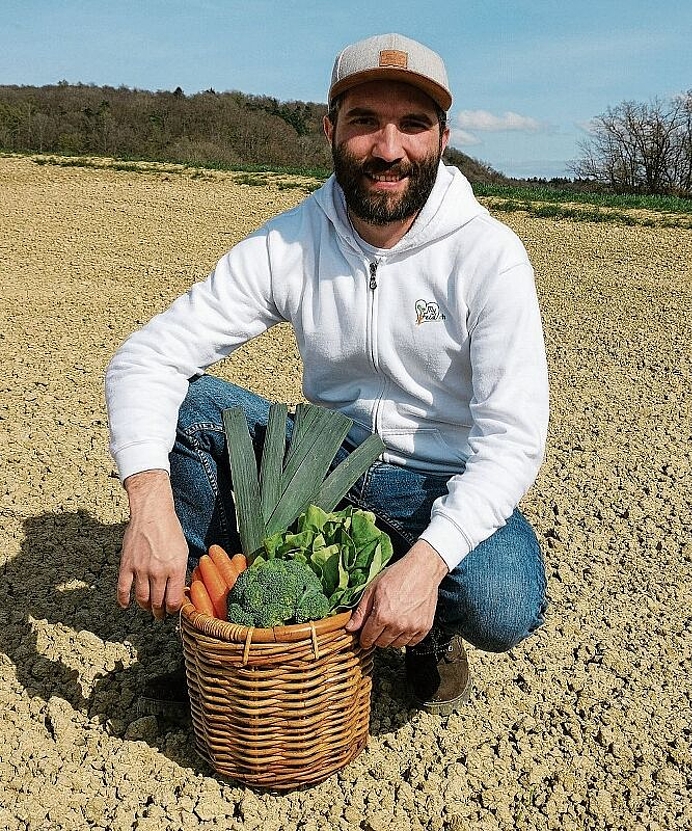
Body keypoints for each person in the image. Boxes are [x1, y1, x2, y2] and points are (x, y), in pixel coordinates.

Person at [106, 32, 549, 716]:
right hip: (320, 466)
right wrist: (150, 503)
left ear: (443, 137)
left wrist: (427, 563)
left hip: (436, 482)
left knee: (502, 596)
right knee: (184, 409)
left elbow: (513, 440)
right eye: (365, 120)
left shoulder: (489, 257)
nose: (389, 147)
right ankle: (221, 630)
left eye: (413, 125)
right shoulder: (292, 239)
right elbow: (147, 356)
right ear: (329, 130)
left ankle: (423, 629)